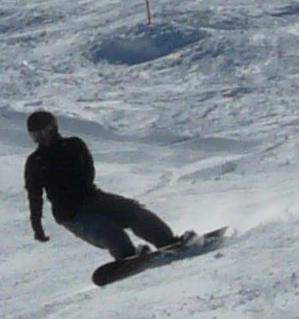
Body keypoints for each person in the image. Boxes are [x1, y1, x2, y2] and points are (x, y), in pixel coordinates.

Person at [24, 110, 184, 264]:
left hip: (92, 198)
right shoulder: (36, 161)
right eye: (34, 136)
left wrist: (77, 185)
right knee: (110, 233)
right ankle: (127, 257)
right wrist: (37, 226)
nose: (38, 139)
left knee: (135, 213)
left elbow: (88, 170)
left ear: (52, 129)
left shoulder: (73, 145)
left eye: (41, 133)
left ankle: (168, 242)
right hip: (70, 213)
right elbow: (34, 195)